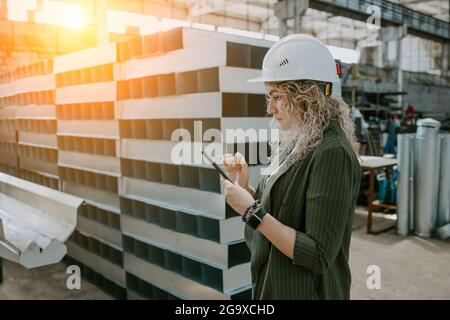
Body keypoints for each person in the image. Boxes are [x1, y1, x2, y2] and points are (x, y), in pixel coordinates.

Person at [222, 34, 361, 300]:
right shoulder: (298, 140)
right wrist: (246, 190)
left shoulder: (332, 153)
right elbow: (283, 210)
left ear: (307, 94)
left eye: (276, 96)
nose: (270, 109)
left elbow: (318, 254)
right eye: (268, 97)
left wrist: (251, 211)